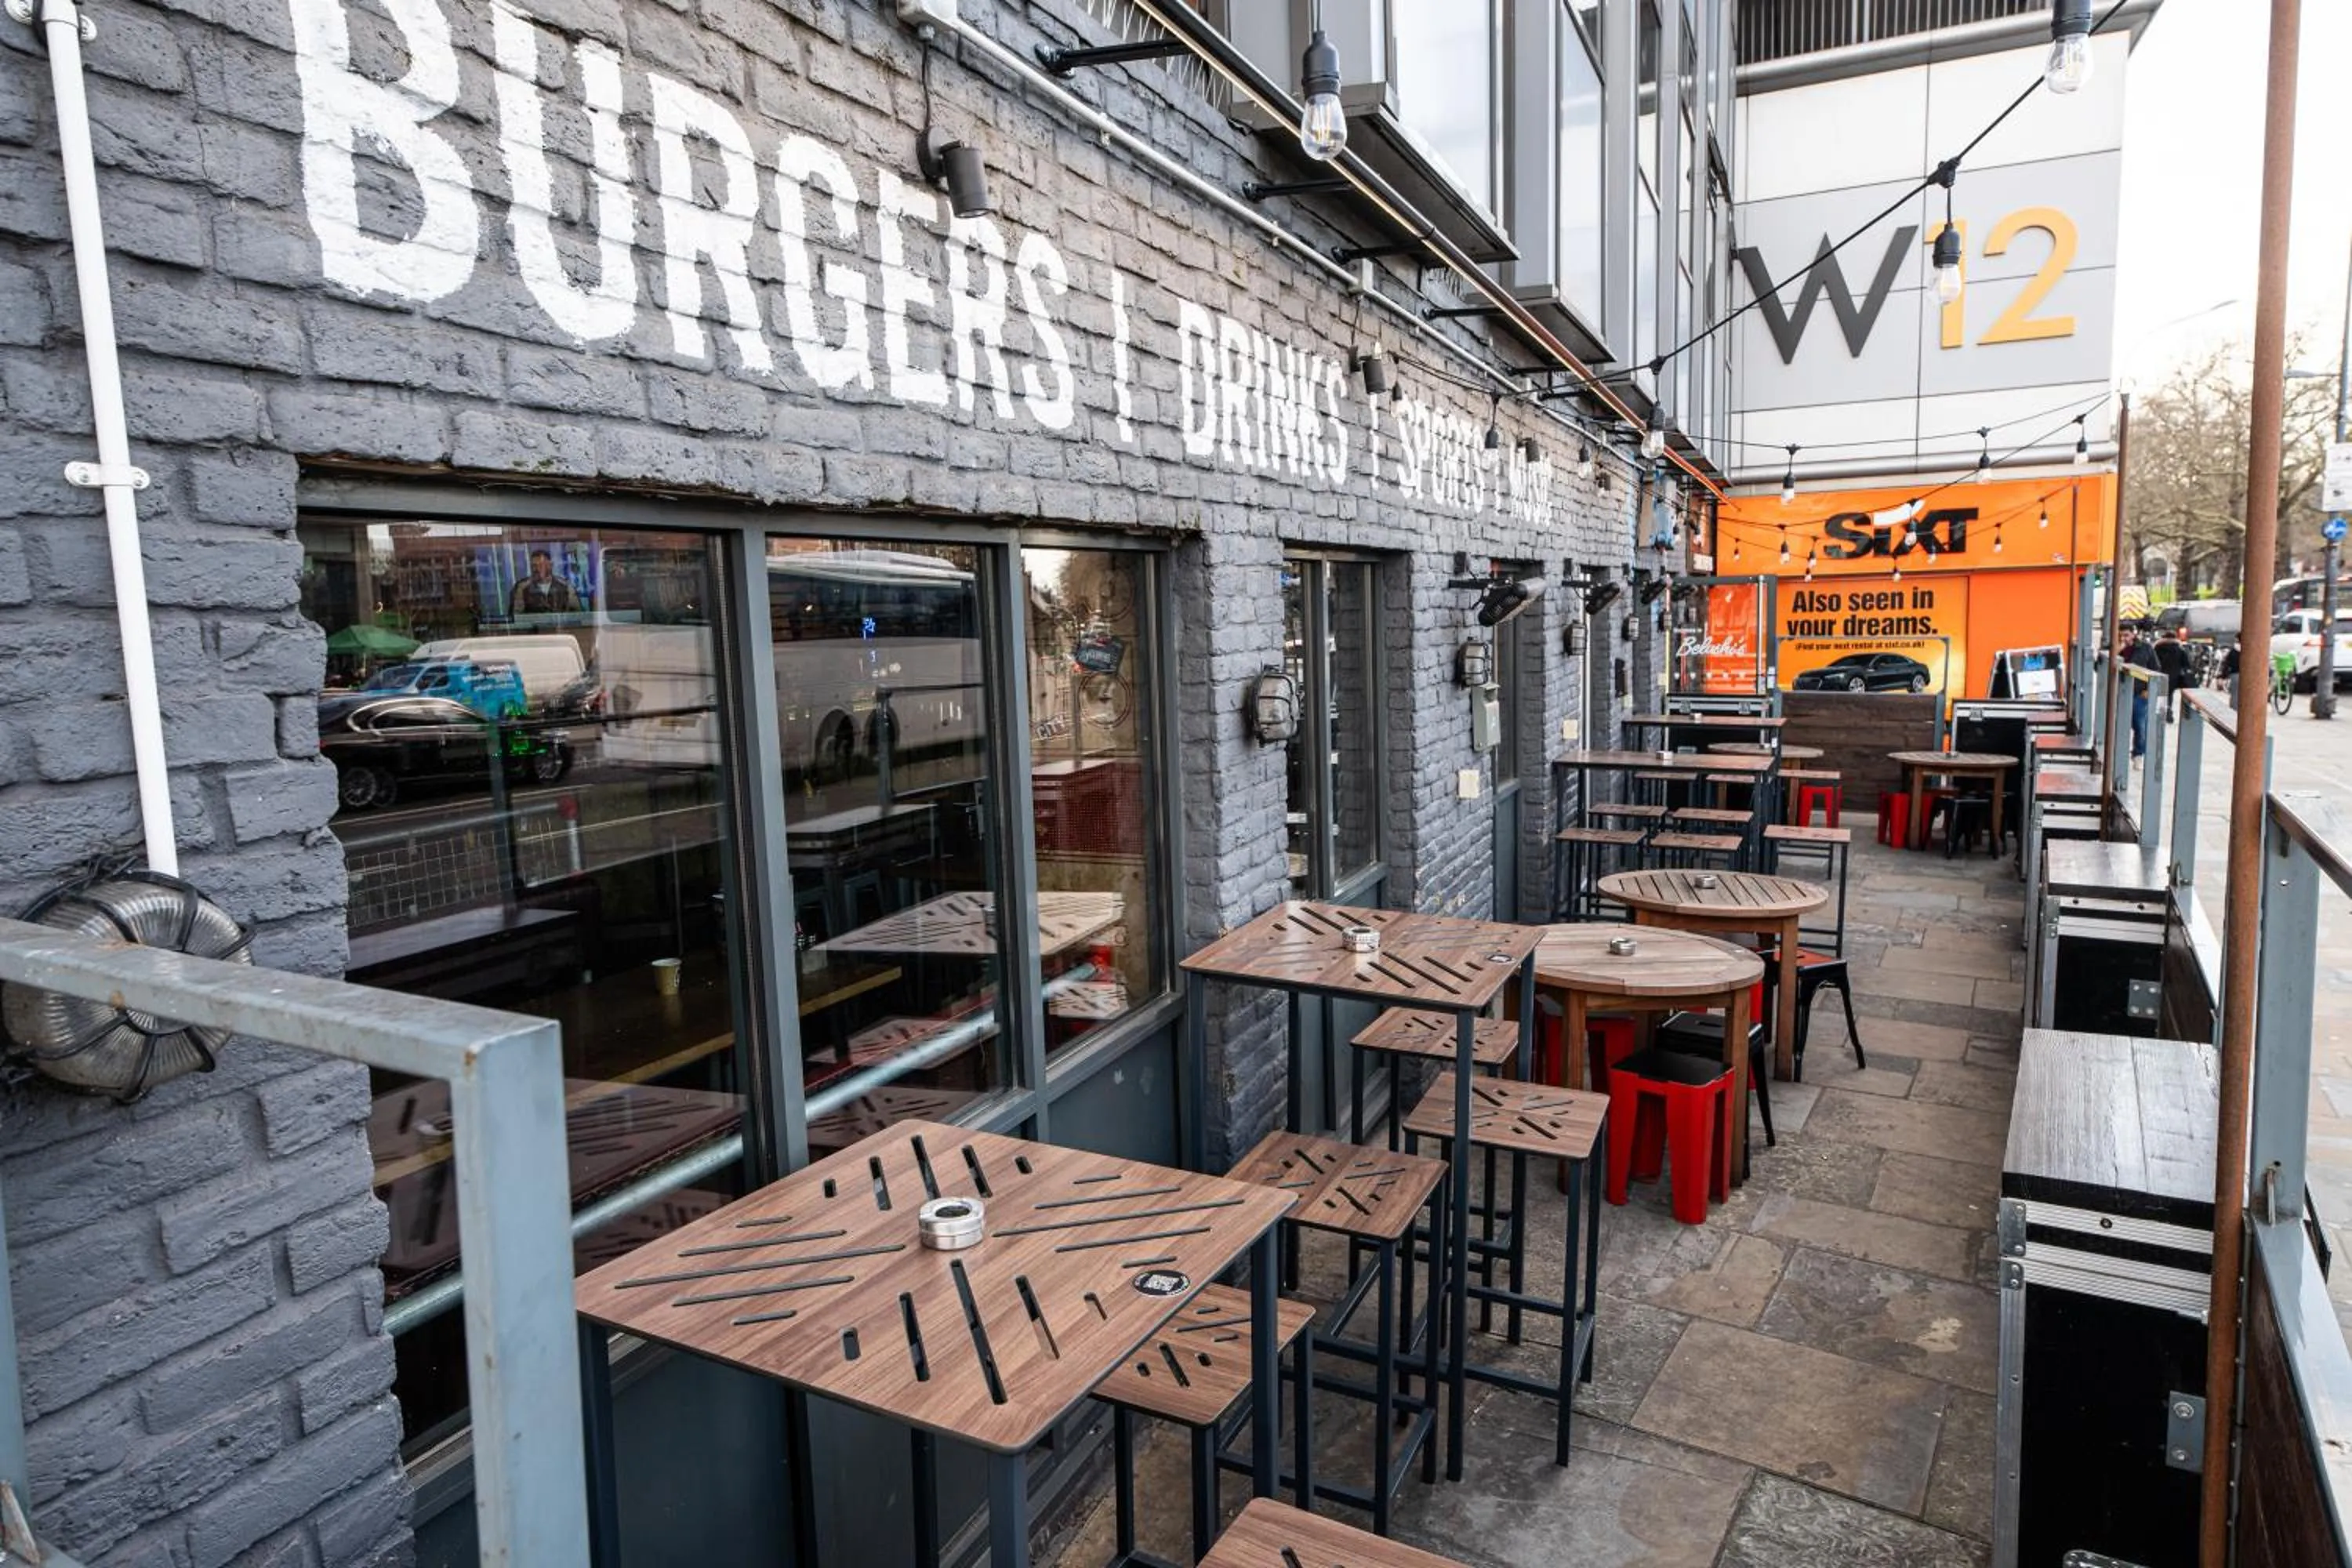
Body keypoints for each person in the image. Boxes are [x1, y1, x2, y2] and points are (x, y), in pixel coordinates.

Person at [2122, 627, 2160, 756]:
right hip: (2121, 692)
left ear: (2134, 634)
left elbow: (2155, 668)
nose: (2124, 639)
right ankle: (2120, 752)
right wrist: (2117, 649)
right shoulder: (2117, 648)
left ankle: (2138, 753)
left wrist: (2148, 689)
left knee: (2139, 723)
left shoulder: (2145, 648)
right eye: (2121, 636)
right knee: (2125, 722)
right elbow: (2097, 666)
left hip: (2139, 691)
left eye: (2126, 635)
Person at [510, 548, 579, 616]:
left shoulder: (566, 586)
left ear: (550, 565)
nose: (535, 569)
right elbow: (516, 616)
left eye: (540, 566)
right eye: (533, 566)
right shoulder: (522, 588)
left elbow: (578, 613)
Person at [2151, 624, 2192, 714]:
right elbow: (2186, 664)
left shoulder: (2157, 648)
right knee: (2170, 693)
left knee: (2162, 694)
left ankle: (2162, 713)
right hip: (2174, 676)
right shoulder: (2180, 649)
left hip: (2160, 675)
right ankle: (2168, 709)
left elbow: (2152, 662)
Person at [2219, 637, 2241, 708]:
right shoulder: (2253, 649)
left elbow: (2227, 664)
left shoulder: (2234, 651)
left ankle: (2234, 714)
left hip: (2236, 675)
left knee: (2235, 696)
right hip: (2251, 676)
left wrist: (2222, 677)